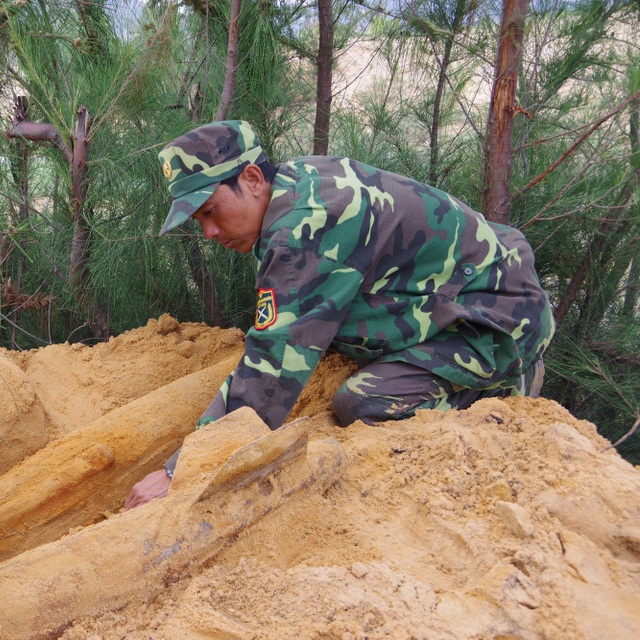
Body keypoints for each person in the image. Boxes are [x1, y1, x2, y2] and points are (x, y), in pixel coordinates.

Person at [123, 120, 554, 509]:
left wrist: (180, 470)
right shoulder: (292, 184)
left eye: (210, 212)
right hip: (475, 282)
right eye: (199, 220)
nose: (209, 233)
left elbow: (271, 372)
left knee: (363, 402)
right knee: (336, 338)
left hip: (497, 315)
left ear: (252, 178)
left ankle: (497, 391)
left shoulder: (303, 231)